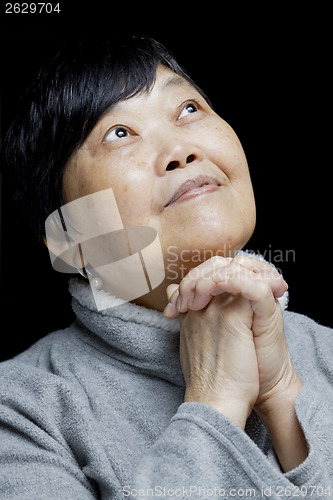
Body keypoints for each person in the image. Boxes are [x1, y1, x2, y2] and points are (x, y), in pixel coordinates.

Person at [0, 36, 332, 499]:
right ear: (69, 240)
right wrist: (215, 406)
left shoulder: (325, 351)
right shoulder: (21, 411)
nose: (181, 148)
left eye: (189, 109)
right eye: (119, 134)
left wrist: (282, 395)